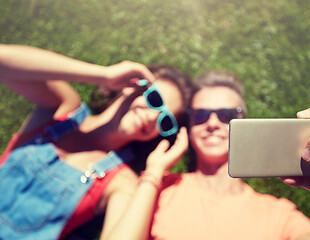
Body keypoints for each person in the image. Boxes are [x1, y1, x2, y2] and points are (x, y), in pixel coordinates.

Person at [108, 70, 310, 240]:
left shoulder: (278, 214)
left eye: (226, 116)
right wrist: (153, 172)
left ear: (243, 122)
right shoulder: (155, 190)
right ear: (188, 125)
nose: (212, 123)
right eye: (200, 116)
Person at [0, 44, 191, 240]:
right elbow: (3, 60)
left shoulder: (120, 182)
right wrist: (102, 75)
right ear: (134, 85)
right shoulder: (63, 109)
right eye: (154, 99)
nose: (153, 117)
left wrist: (154, 172)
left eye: (166, 120)